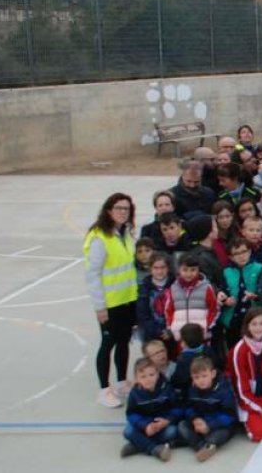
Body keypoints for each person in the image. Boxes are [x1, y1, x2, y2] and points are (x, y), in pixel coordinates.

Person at [85, 193, 140, 408]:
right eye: (119, 208)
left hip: (127, 299)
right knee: (108, 343)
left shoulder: (124, 233)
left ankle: (120, 382)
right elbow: (93, 274)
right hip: (110, 303)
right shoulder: (100, 236)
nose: (123, 212)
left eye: (126, 209)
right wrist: (100, 306)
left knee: (123, 342)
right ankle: (104, 389)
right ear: (109, 210)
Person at [229, 308, 262, 442]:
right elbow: (241, 392)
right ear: (247, 326)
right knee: (260, 434)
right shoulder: (240, 350)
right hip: (248, 399)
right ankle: (251, 422)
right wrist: (261, 410)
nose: (258, 328)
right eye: (254, 324)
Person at [178, 356, 237, 462]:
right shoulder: (192, 389)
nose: (201, 381)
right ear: (192, 377)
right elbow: (188, 407)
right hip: (201, 422)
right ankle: (204, 446)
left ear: (213, 374)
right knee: (182, 425)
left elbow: (230, 415)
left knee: (221, 434)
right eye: (196, 377)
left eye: (204, 376)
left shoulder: (223, 389)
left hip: (218, 425)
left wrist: (210, 425)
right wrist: (195, 419)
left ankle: (206, 443)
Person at [120, 358, 181, 461]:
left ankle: (137, 445)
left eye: (151, 375)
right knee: (128, 431)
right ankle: (154, 449)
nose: (148, 379)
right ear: (137, 379)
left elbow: (178, 407)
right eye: (143, 377)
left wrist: (167, 420)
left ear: (157, 374)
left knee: (173, 431)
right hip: (145, 424)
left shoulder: (166, 388)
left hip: (163, 424)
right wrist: (145, 425)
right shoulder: (135, 393)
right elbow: (131, 414)